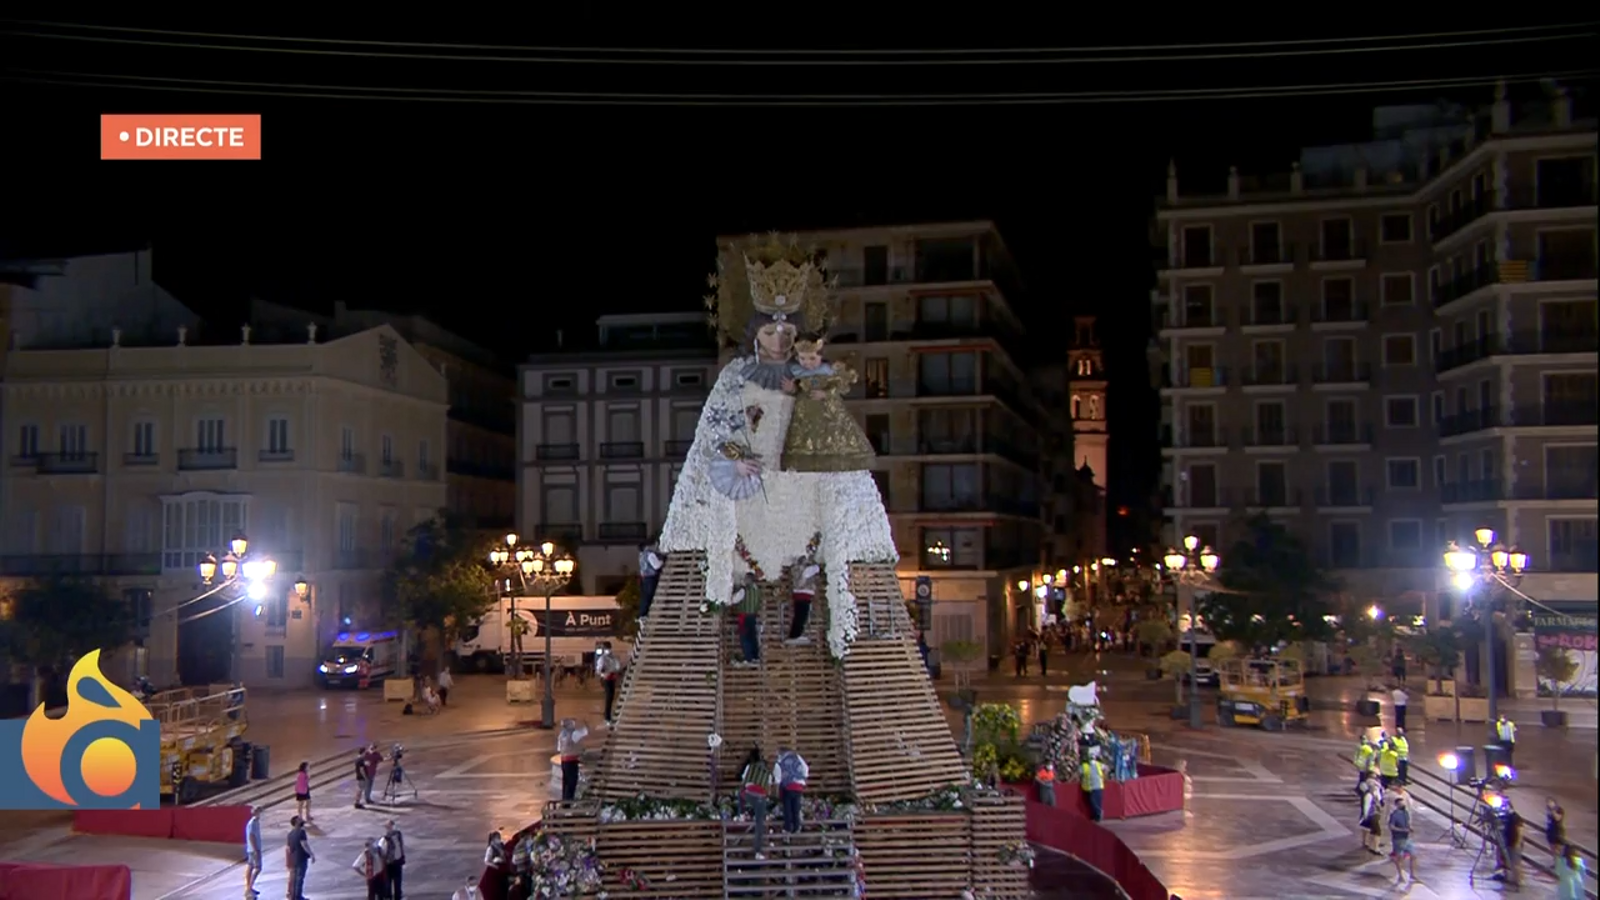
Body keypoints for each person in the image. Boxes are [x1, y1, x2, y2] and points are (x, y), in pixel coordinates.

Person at [658, 240, 897, 662]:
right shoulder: (735, 375)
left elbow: (829, 429)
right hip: (749, 488)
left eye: (788, 331)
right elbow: (718, 429)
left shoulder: (807, 374)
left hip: (801, 486)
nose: (780, 339)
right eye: (771, 331)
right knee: (740, 557)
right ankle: (743, 616)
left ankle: (809, 621)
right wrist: (735, 456)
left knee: (815, 552)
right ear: (755, 332)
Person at [780, 335, 875, 473]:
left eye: (812, 358)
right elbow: (799, 389)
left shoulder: (829, 371)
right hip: (805, 411)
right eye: (803, 358)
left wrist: (826, 394)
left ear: (820, 356)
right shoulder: (798, 372)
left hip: (828, 410)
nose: (807, 363)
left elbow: (839, 387)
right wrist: (792, 388)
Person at [739, 746, 776, 859]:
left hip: (747, 794)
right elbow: (768, 790)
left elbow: (743, 782)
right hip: (760, 797)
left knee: (740, 794)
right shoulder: (768, 772)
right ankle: (758, 851)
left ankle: (741, 814)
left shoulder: (750, 767)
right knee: (759, 823)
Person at [785, 559, 820, 646]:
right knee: (801, 617)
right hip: (804, 595)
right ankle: (795, 635)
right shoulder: (805, 569)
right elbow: (813, 570)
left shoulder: (795, 569)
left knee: (798, 616)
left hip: (799, 595)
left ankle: (794, 634)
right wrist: (816, 567)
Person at [776, 746, 809, 834]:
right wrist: (802, 778)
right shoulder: (798, 757)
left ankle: (788, 827)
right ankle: (797, 827)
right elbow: (805, 769)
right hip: (798, 786)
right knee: (796, 808)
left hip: (788, 786)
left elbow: (778, 776)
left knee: (787, 808)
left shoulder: (781, 761)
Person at [557, 719, 589, 801]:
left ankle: (564, 801)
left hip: (563, 761)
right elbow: (585, 731)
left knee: (566, 783)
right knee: (572, 783)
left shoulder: (561, 735)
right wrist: (586, 723)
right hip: (571, 761)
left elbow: (559, 749)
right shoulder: (574, 734)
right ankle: (568, 803)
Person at [1388, 793, 1415, 884]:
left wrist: (1410, 827)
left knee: (1413, 856)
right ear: (1397, 805)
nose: (1403, 805)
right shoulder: (1394, 815)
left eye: (1404, 803)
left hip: (1407, 838)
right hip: (1398, 839)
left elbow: (1407, 823)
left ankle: (1412, 875)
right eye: (1401, 804)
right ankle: (1400, 876)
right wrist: (1402, 830)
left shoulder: (1406, 813)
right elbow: (1391, 827)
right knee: (1399, 858)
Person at [285, 815, 314, 900]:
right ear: (296, 822)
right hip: (301, 857)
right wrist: (311, 854)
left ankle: (293, 896)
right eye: (299, 819)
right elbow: (304, 844)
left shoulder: (290, 834)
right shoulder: (301, 832)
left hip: (294, 859)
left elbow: (289, 848)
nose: (302, 820)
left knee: (294, 878)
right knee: (300, 878)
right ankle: (298, 897)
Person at [637, 539, 664, 621]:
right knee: (649, 596)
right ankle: (644, 614)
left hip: (644, 578)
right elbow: (657, 566)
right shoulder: (650, 554)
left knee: (645, 596)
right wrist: (662, 561)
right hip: (651, 578)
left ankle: (642, 613)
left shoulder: (641, 555)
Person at [597, 642, 623, 725]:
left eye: (608, 647)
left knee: (611, 697)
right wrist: (603, 672)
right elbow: (599, 670)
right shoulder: (603, 658)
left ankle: (607, 715)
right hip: (607, 679)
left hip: (611, 678)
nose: (607, 649)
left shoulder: (613, 657)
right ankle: (607, 717)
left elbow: (618, 667)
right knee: (609, 697)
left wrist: (615, 671)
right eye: (606, 648)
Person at [1080, 748, 1108, 822]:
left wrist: (1104, 776)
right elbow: (1079, 773)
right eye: (1091, 758)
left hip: (1098, 786)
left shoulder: (1098, 764)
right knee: (1092, 802)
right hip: (1089, 787)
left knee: (1095, 802)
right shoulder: (1085, 765)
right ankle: (1095, 816)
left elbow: (1106, 768)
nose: (1092, 760)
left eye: (1093, 758)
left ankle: (1099, 814)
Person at [384, 818, 407, 900]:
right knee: (389, 881)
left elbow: (401, 847)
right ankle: (389, 896)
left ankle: (397, 896)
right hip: (389, 863)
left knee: (397, 881)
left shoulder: (398, 834)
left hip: (397, 861)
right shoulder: (385, 838)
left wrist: (402, 857)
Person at [243, 805, 262, 897]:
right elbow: (251, 836)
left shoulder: (255, 822)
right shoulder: (253, 823)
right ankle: (249, 888)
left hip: (251, 849)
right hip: (254, 849)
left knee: (250, 867)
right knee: (258, 868)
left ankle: (249, 887)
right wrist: (255, 849)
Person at [1546, 798, 1567, 866]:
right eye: (1548, 802)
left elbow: (1557, 818)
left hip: (1558, 833)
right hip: (1551, 832)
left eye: (1550, 802)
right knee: (1553, 850)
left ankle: (1562, 864)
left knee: (1559, 850)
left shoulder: (1559, 810)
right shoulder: (1549, 811)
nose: (1548, 804)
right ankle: (1556, 863)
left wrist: (1553, 811)